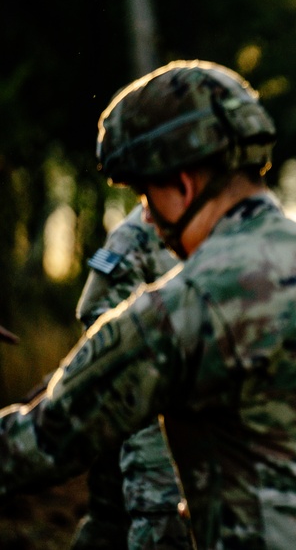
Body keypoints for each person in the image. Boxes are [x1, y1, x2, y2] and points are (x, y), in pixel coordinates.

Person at [0, 60, 296, 549]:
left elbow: (39, 444)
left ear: (183, 185)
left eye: (146, 196)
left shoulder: (183, 305)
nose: (150, 222)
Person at [71, 205, 192, 550]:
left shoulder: (230, 225)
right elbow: (97, 317)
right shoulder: (135, 234)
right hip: (146, 418)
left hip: (204, 422)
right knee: (154, 522)